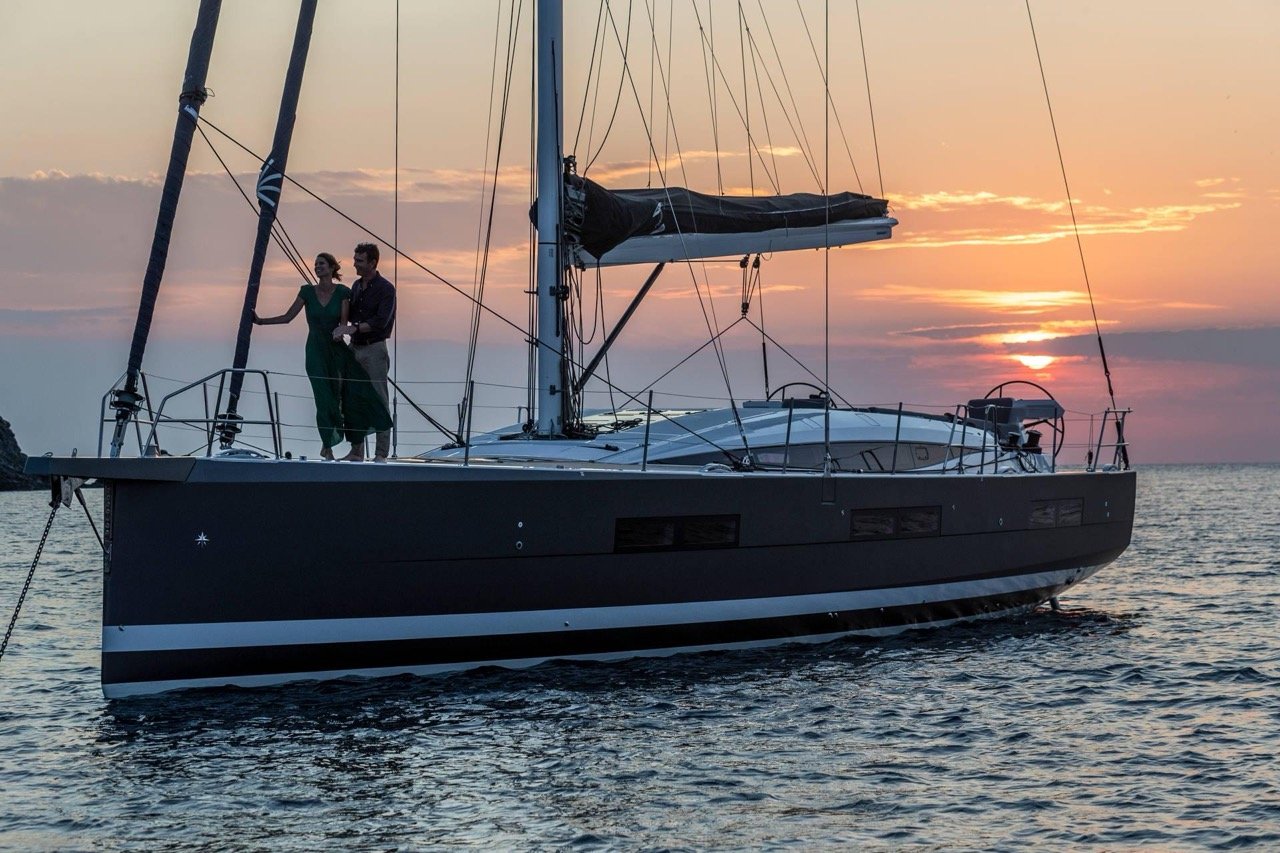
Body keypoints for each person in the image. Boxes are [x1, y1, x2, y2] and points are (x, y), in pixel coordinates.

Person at [253, 253, 387, 460]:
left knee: (347, 395)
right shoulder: (306, 292)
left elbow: (343, 324)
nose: (317, 267)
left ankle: (359, 447)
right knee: (324, 398)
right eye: (315, 264)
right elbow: (288, 317)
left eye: (321, 264)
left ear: (332, 268)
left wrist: (341, 331)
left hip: (336, 350)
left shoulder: (343, 292)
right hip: (315, 351)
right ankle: (327, 446)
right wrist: (260, 321)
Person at [333, 242, 395, 461]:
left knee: (378, 398)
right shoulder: (357, 287)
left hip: (374, 348)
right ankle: (357, 451)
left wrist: (354, 328)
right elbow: (349, 314)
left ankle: (381, 453)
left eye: (359, 260)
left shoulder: (386, 289)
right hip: (355, 347)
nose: (354, 264)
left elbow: (381, 321)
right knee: (352, 398)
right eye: (355, 259)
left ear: (373, 262)